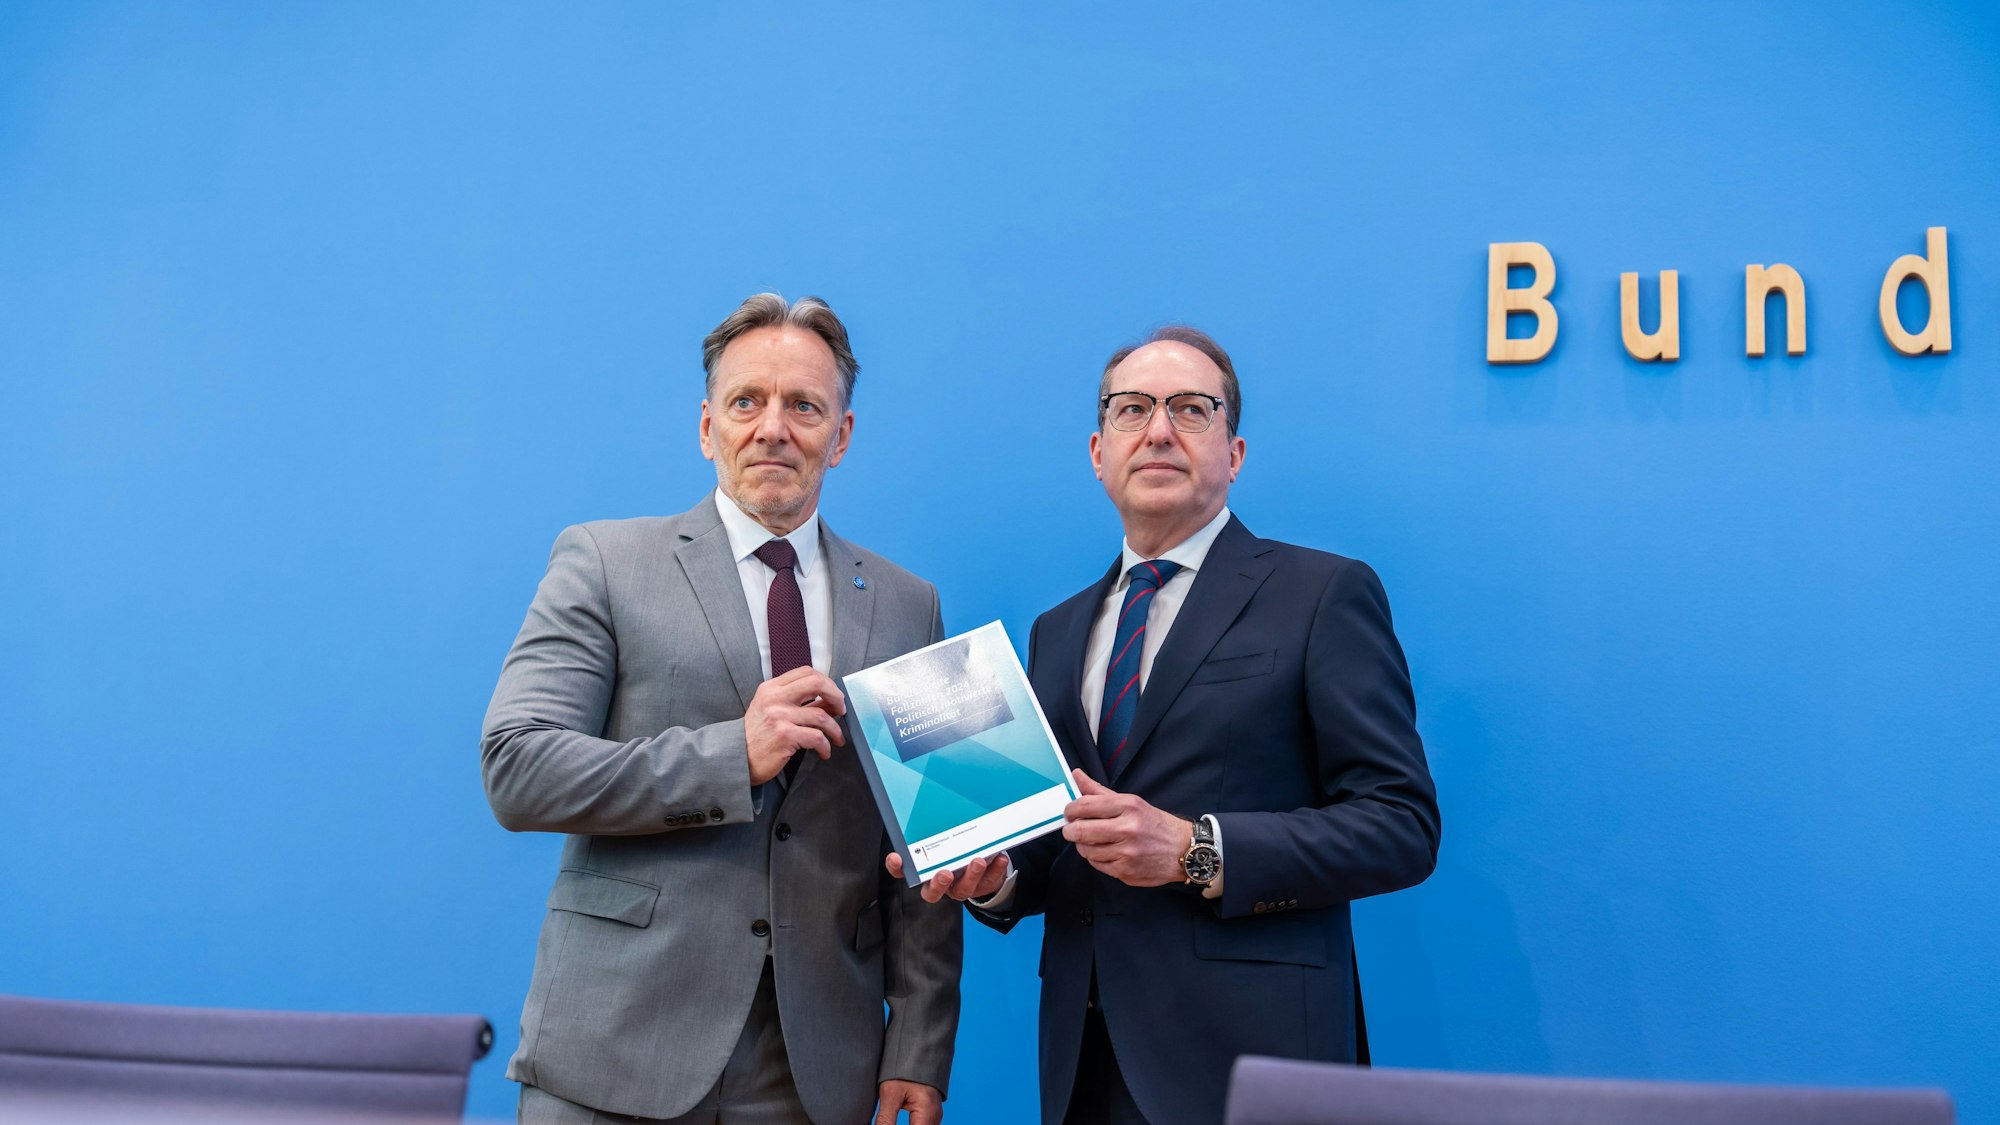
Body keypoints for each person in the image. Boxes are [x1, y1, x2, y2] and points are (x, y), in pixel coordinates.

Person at [896, 326, 1441, 1125]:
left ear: (1236, 451)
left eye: (1191, 408)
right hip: (1087, 1062)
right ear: (1097, 450)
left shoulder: (1322, 594)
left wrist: (1196, 849)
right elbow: (1061, 846)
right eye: (1132, 409)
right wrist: (999, 877)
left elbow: (1402, 824)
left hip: (1255, 1061)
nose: (1158, 429)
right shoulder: (1057, 628)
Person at [483, 293, 961, 1125]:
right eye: (748, 402)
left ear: (840, 436)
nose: (773, 427)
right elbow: (518, 767)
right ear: (708, 427)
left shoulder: (907, 604)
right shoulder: (603, 562)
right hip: (614, 1052)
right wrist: (729, 755)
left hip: (814, 1071)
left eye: (804, 405)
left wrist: (918, 1044)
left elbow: (930, 848)